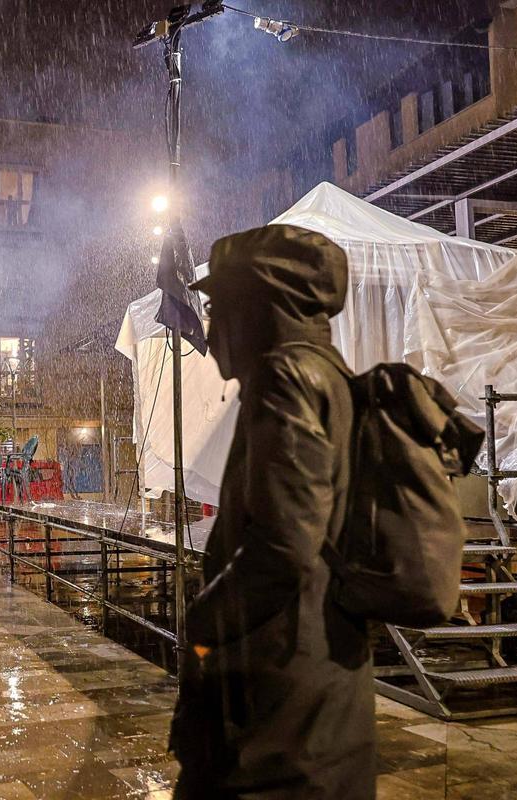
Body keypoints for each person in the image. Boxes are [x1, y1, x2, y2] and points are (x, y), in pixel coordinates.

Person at [170, 225, 372, 799]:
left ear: (258, 308)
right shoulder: (329, 374)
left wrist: (205, 624)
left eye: (216, 309)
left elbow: (284, 544)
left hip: (276, 705)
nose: (208, 329)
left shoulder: (285, 380)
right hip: (316, 691)